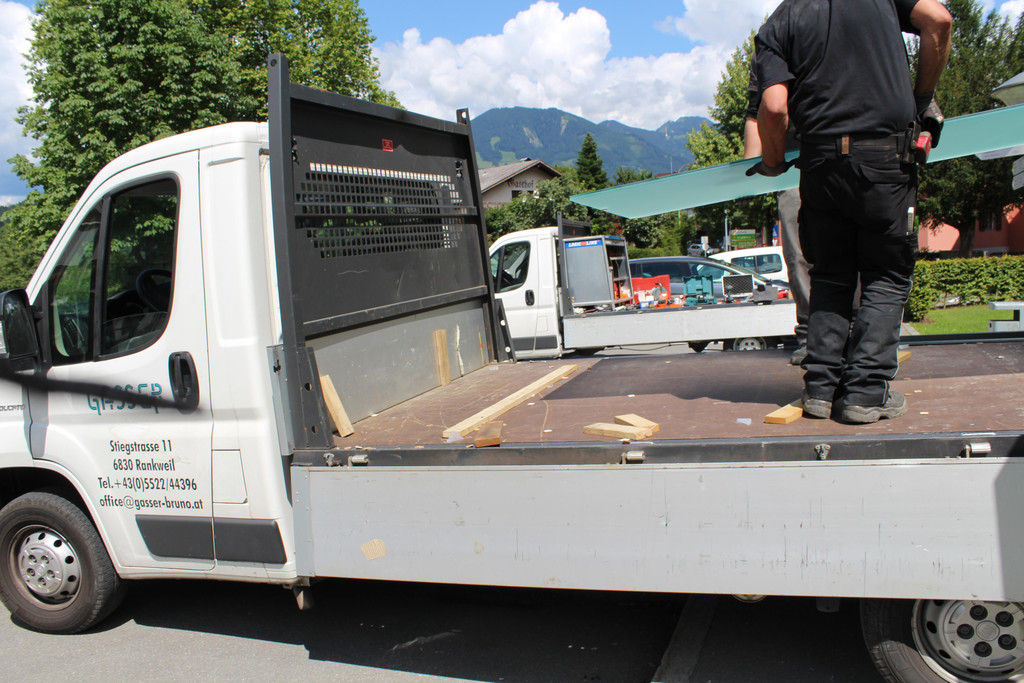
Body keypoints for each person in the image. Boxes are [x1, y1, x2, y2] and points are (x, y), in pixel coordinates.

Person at [748, 0, 951, 423]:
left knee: (829, 273)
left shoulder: (781, 21)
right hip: (884, 158)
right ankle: (866, 393)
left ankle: (820, 390)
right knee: (886, 274)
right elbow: (938, 19)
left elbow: (774, 107)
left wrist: (772, 162)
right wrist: (922, 99)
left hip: (820, 164)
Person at [743, 57, 810, 366]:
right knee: (799, 255)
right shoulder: (771, 49)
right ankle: (812, 336)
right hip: (793, 168)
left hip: (836, 157)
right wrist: (748, 177)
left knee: (813, 254)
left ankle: (843, 335)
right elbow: (758, 113)